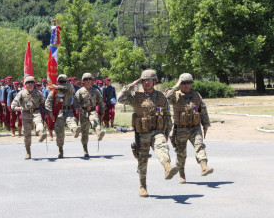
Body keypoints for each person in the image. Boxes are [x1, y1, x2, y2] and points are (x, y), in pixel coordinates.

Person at [117, 69, 178, 197]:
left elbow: (167, 115)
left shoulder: (161, 97)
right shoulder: (136, 96)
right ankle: (142, 186)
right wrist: (131, 85)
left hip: (158, 131)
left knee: (162, 147)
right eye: (144, 80)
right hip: (142, 133)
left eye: (149, 80)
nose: (146, 83)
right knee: (142, 159)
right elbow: (120, 98)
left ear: (154, 81)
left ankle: (167, 166)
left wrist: (167, 132)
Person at [165, 73, 213, 184]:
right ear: (181, 84)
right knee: (181, 154)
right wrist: (176, 85)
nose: (186, 85)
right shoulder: (175, 95)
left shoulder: (196, 95)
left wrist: (205, 125)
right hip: (180, 129)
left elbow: (203, 110)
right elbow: (166, 98)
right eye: (184, 83)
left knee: (199, 146)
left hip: (195, 128)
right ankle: (182, 174)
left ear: (191, 84)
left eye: (189, 83)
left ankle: (204, 167)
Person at [11, 76, 47, 160]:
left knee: (39, 123)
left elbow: (43, 104)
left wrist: (46, 113)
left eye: (31, 83)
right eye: (28, 83)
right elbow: (13, 104)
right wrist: (16, 108)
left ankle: (41, 134)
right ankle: (28, 151)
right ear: (25, 85)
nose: (30, 84)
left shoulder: (38, 93)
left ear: (34, 84)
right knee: (26, 135)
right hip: (25, 114)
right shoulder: (21, 93)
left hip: (36, 112)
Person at [45, 74, 81, 158]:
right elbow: (47, 103)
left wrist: (58, 87)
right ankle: (60, 149)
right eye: (61, 82)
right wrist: (51, 114)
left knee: (71, 121)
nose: (64, 84)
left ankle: (75, 130)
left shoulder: (69, 89)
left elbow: (70, 87)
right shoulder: (53, 92)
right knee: (59, 133)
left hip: (68, 110)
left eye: (64, 82)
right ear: (58, 82)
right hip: (59, 112)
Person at [74, 73, 105, 157]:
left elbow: (101, 101)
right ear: (83, 81)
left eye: (90, 79)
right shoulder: (79, 91)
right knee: (84, 131)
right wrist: (77, 109)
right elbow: (76, 102)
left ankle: (99, 133)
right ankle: (85, 149)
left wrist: (102, 112)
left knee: (95, 120)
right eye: (86, 79)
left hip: (92, 110)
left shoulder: (96, 91)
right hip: (83, 112)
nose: (88, 81)